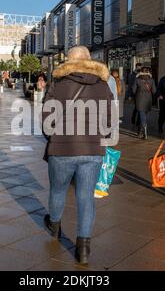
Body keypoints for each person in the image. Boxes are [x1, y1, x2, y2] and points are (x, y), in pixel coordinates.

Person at [42, 46, 113, 265]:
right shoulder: (103, 86)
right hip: (92, 150)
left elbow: (47, 123)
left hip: (62, 149)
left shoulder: (58, 84)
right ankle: (83, 247)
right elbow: (110, 123)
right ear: (90, 60)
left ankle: (54, 224)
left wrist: (55, 137)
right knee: (86, 196)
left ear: (68, 61)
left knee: (58, 191)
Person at [133, 67, 156, 139]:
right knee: (143, 115)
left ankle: (144, 132)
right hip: (148, 99)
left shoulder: (137, 80)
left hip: (140, 99)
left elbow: (133, 90)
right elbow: (154, 91)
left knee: (142, 115)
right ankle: (140, 132)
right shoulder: (151, 80)